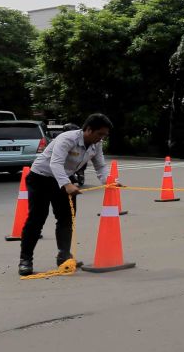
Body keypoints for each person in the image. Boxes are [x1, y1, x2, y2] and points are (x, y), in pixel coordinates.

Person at [19, 114, 119, 276]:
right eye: (99, 134)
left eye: (104, 135)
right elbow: (55, 163)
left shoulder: (96, 144)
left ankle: (64, 257)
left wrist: (110, 181)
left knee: (66, 218)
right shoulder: (67, 139)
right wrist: (67, 185)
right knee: (37, 218)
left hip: (65, 178)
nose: (101, 138)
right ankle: (25, 260)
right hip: (41, 177)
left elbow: (100, 166)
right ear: (88, 129)